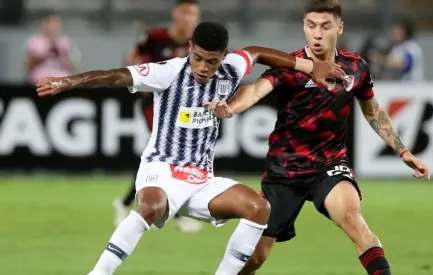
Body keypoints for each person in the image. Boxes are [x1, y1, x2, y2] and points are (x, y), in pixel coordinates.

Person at [36, 21, 344, 275]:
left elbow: (258, 53)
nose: (203, 67)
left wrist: (309, 66)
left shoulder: (232, 68)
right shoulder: (169, 71)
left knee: (259, 208)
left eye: (212, 60)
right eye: (197, 57)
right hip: (160, 169)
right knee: (151, 207)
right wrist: (67, 82)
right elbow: (115, 76)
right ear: (190, 50)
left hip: (200, 180)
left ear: (224, 56)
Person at [205, 1, 430, 275]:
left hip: (330, 166)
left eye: (325, 26)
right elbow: (254, 91)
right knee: (256, 258)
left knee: (353, 221)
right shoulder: (290, 65)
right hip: (285, 171)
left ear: (339, 27)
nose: (317, 34)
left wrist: (403, 151)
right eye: (311, 26)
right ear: (304, 27)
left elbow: (373, 112)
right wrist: (231, 107)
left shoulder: (356, 68)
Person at [113, 0, 202, 233]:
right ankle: (175, 211)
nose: (188, 17)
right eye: (185, 12)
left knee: (161, 153)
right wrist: (140, 80)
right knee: (167, 148)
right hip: (154, 102)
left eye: (192, 13)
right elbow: (133, 56)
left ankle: (126, 203)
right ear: (176, 14)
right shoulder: (156, 37)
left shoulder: (199, 41)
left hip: (182, 105)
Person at [24, 12, 80, 85]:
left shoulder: (66, 42)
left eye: (55, 26)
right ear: (44, 25)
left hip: (62, 82)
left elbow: (74, 67)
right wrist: (43, 54)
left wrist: (61, 55)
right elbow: (27, 64)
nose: (52, 29)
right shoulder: (34, 41)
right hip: (39, 81)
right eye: (50, 25)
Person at [376, 17, 424, 82]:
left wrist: (378, 59)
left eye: (397, 30)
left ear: (404, 32)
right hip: (398, 88)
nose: (393, 33)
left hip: (412, 88)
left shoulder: (412, 47)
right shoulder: (395, 48)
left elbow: (403, 64)